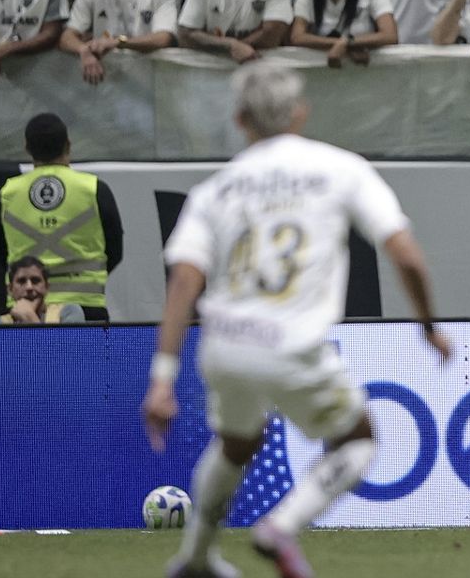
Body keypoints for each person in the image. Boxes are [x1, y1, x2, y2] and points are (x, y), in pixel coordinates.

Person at [142, 61, 449, 578]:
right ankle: (282, 526)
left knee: (238, 442)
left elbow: (183, 283)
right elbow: (408, 257)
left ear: (241, 120)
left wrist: (162, 380)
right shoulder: (341, 168)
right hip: (291, 346)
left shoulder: (214, 190)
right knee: (358, 441)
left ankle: (195, 558)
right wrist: (428, 326)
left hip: (224, 346)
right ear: (301, 113)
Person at [0, 113, 125, 320]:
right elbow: (115, 251)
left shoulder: (7, 193)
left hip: (23, 308)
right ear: (68, 144)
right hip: (87, 307)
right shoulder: (94, 189)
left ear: (27, 148)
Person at [0, 258, 86, 324]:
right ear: (10, 289)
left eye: (35, 280)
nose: (29, 287)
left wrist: (30, 318)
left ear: (47, 287)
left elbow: (70, 352)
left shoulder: (68, 313)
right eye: (21, 281)